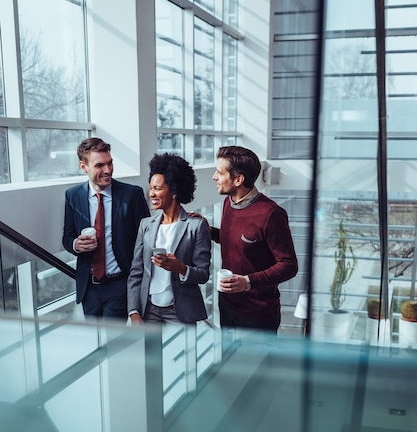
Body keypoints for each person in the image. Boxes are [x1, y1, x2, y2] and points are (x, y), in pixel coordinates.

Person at [211, 145, 298, 332]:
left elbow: (289, 265)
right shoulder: (229, 202)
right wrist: (208, 231)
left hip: (258, 315)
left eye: (219, 172)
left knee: (256, 362)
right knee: (229, 361)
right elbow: (236, 241)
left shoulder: (271, 214)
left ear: (238, 180)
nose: (214, 177)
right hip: (227, 306)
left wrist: (247, 281)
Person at [62, 137, 150, 320]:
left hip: (120, 285)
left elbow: (146, 239)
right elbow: (67, 237)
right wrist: (76, 244)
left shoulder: (132, 195)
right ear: (83, 166)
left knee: (114, 344)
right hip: (89, 289)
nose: (108, 170)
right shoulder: (72, 196)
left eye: (110, 163)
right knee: (96, 345)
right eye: (100, 165)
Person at [127, 153, 211, 325]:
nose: (151, 194)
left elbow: (203, 274)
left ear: (174, 190)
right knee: (150, 353)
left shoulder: (196, 226)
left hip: (179, 310)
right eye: (151, 188)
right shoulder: (146, 225)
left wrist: (179, 268)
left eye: (157, 188)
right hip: (148, 309)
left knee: (185, 352)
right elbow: (136, 272)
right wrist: (133, 311)